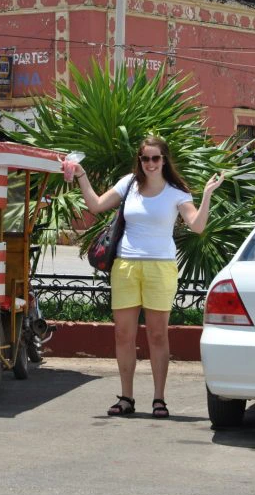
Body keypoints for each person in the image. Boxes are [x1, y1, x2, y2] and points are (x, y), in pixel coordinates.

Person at [65, 135, 224, 418]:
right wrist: (81, 174)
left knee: (157, 335)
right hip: (126, 265)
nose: (150, 163)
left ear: (164, 160)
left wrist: (208, 195)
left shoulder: (176, 192)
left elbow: (197, 226)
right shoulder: (129, 184)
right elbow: (96, 205)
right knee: (123, 334)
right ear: (140, 160)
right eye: (145, 158)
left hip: (160, 267)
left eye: (155, 158)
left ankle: (159, 399)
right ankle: (126, 397)